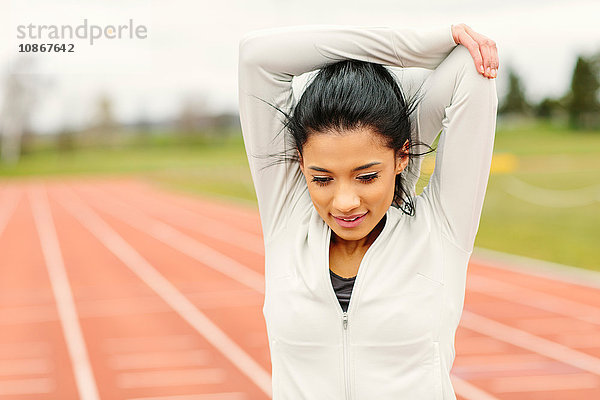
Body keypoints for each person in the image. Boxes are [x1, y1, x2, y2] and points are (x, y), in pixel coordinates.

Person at [238, 22, 498, 400]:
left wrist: (399, 99)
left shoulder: (440, 230)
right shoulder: (288, 218)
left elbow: (470, 72)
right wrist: (415, 46)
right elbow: (256, 56)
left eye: (366, 176)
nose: (344, 203)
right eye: (322, 179)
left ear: (402, 156)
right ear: (300, 163)